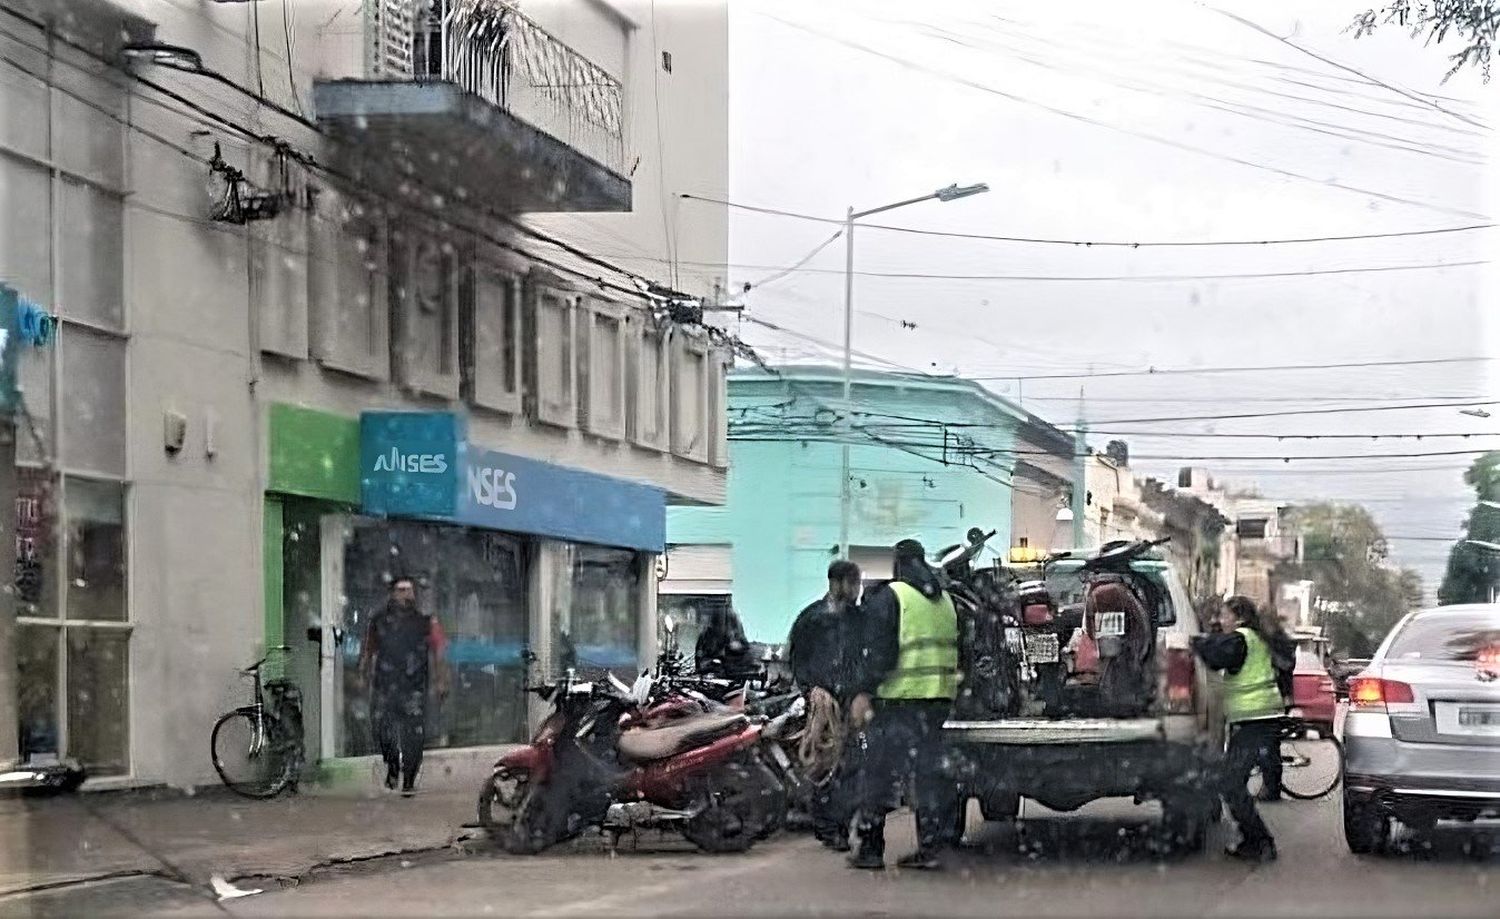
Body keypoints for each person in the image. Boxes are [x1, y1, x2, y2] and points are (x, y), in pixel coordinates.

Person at [846, 539, 962, 871]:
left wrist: (863, 691)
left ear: (897, 563)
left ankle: (870, 849)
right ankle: (931, 847)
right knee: (927, 776)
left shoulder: (892, 597)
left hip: (896, 701)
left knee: (877, 775)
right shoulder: (945, 600)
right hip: (937, 702)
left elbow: (879, 652)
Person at [1191, 595, 1282, 861]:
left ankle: (1261, 842)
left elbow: (1217, 655)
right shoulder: (1253, 637)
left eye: (1224, 614)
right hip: (1258, 719)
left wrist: (1192, 641)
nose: (1221, 620)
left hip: (1256, 720)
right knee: (1233, 782)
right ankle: (1255, 839)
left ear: (1239, 617)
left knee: (1230, 782)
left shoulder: (1241, 638)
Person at [787, 559, 862, 851]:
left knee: (851, 766)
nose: (856, 590)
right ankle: (829, 828)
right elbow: (797, 658)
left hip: (850, 701)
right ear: (836, 583)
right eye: (853, 583)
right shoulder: (813, 618)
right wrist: (811, 690)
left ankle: (841, 824)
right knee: (826, 764)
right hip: (823, 701)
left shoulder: (857, 618)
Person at [359, 576, 450, 796]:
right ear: (392, 593)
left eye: (409, 590)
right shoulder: (379, 621)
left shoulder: (425, 622)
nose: (406, 594)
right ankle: (392, 766)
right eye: (401, 590)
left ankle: (409, 779)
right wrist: (362, 675)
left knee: (413, 736)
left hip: (414, 686)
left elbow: (439, 650)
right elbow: (368, 650)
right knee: (383, 731)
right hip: (385, 684)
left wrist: (441, 680)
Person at [1255, 608, 1299, 802]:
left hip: (1276, 696)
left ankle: (1271, 788)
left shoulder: (1277, 641)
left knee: (1269, 745)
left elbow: (1285, 666)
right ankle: (1271, 785)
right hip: (1276, 695)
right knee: (1269, 744)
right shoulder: (1275, 639)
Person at [695, 604, 758, 678]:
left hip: (733, 676)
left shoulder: (736, 633)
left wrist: (738, 647)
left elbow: (745, 649)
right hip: (710, 677)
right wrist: (711, 663)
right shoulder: (705, 636)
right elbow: (699, 661)